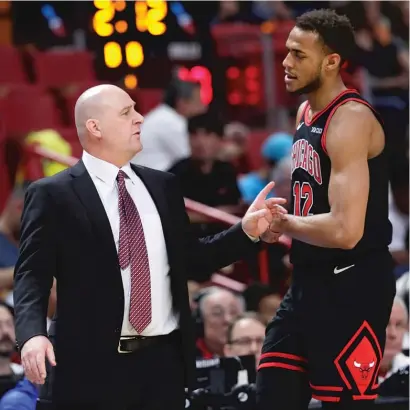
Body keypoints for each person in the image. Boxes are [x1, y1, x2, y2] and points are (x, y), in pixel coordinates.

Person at [13, 84, 287, 410]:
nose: (140, 119)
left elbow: (193, 261)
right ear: (95, 126)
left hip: (163, 366)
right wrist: (32, 334)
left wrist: (245, 232)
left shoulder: (163, 185)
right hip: (90, 369)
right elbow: (32, 274)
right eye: (127, 112)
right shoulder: (52, 194)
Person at [256, 9, 396, 410]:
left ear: (332, 61)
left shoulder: (350, 119)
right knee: (272, 393)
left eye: (299, 54)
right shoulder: (305, 113)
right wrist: (279, 220)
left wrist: (283, 223)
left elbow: (346, 229)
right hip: (307, 283)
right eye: (286, 52)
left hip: (353, 286)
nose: (286, 62)